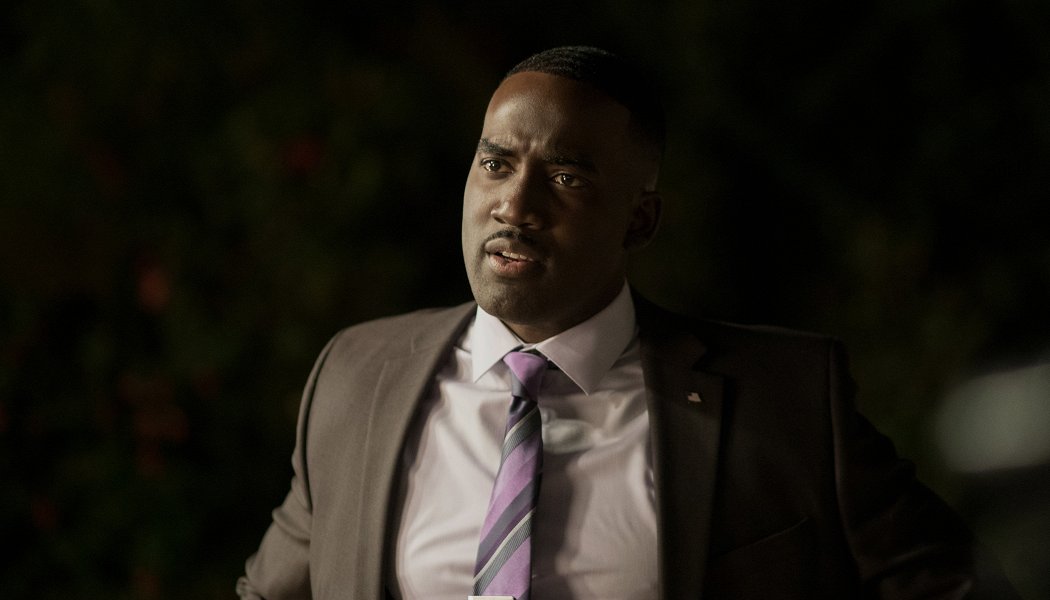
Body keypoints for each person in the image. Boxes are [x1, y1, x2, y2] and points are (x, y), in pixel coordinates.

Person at [237, 46, 1017, 599]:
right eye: (496, 163)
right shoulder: (359, 374)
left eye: (565, 177)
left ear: (640, 220)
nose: (515, 204)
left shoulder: (784, 403)